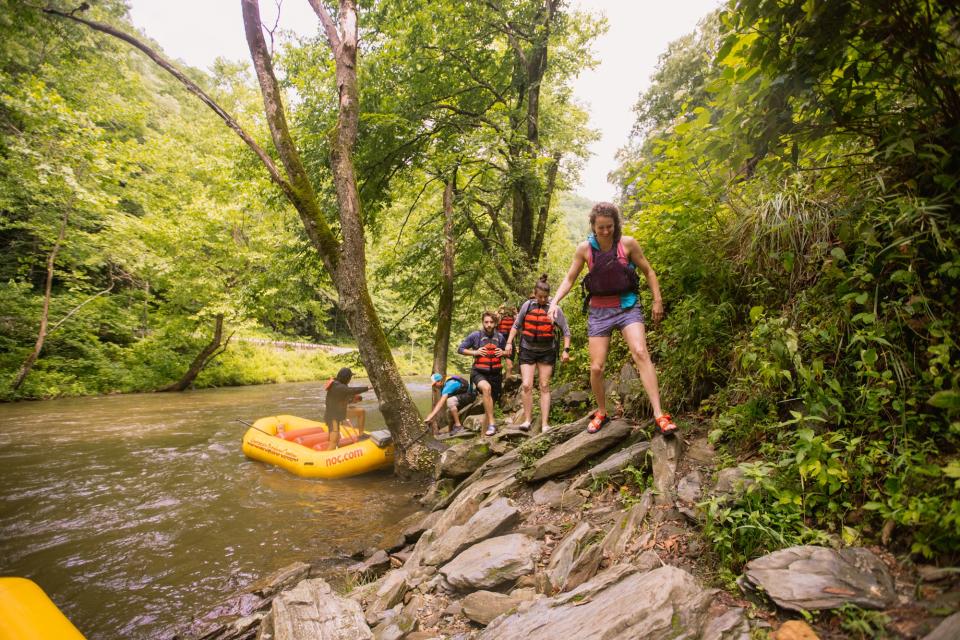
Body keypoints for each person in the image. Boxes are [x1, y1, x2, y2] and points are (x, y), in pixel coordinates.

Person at [548, 202, 678, 436]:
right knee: (596, 367)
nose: (605, 231)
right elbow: (569, 278)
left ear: (615, 225)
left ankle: (659, 414)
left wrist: (658, 300)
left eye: (609, 226)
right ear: (593, 226)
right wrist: (554, 301)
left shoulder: (627, 244)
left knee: (640, 352)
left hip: (627, 306)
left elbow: (648, 271)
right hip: (599, 312)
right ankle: (601, 412)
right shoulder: (585, 249)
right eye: (601, 227)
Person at [505, 274, 571, 432]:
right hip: (527, 349)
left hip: (547, 351)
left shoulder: (555, 309)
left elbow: (566, 331)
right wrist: (508, 343)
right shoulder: (527, 306)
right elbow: (516, 325)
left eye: (546, 297)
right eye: (540, 297)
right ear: (534, 294)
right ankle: (527, 420)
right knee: (527, 385)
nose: (543, 300)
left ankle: (545, 424)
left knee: (544, 385)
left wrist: (566, 351)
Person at [457, 311, 506, 436]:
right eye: (486, 322)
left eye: (491, 322)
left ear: (495, 323)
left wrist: (503, 353)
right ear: (482, 322)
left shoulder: (500, 337)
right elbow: (460, 349)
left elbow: (508, 353)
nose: (488, 325)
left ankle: (485, 436)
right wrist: (475, 352)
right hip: (478, 372)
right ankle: (493, 424)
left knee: (489, 407)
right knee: (486, 388)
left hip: (495, 375)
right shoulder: (475, 336)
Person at [323, 367, 370, 449]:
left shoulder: (341, 385)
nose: (350, 379)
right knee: (335, 439)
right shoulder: (338, 386)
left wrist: (353, 399)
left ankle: (361, 434)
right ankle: (328, 454)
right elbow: (351, 390)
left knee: (361, 412)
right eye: (350, 377)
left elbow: (344, 396)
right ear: (346, 377)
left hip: (340, 411)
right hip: (333, 415)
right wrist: (368, 388)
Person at [496, 304, 518, 378]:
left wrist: (515, 312)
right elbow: (495, 321)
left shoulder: (514, 316)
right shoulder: (499, 316)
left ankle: (508, 382)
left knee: (510, 366)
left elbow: (518, 324)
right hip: (499, 340)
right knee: (496, 364)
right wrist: (499, 311)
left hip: (510, 340)